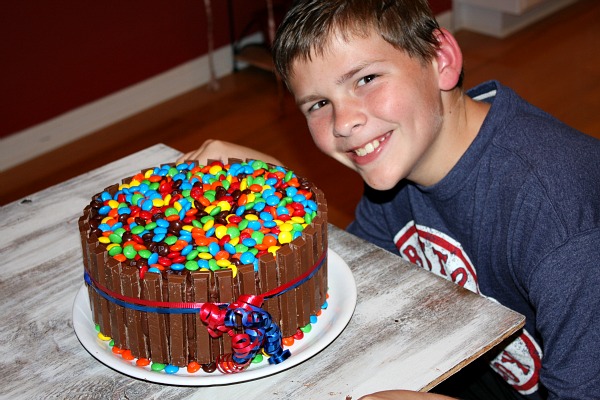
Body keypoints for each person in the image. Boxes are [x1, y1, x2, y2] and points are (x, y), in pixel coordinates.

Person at [179, 0, 600, 398]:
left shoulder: (560, 219)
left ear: (442, 60)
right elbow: (364, 279)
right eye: (320, 103)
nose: (344, 123)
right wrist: (279, 185)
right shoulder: (401, 156)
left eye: (366, 79)